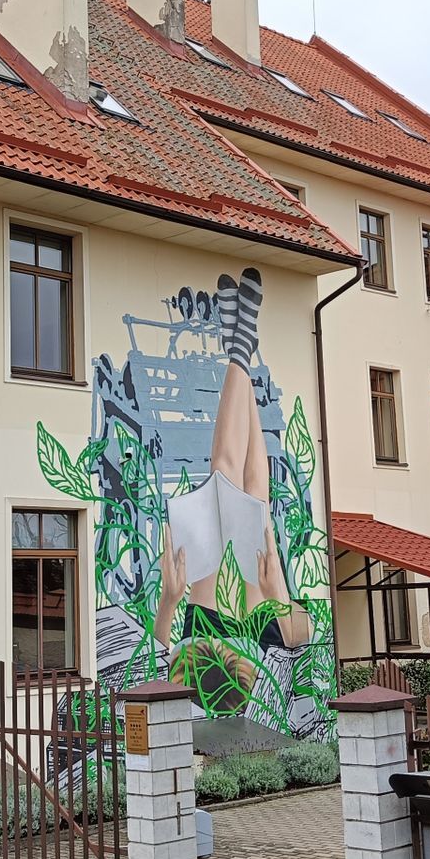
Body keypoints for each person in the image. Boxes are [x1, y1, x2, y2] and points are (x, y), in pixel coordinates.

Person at [152, 268, 311, 711]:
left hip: (212, 617)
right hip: (243, 611)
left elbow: (160, 656)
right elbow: (303, 638)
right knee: (251, 486)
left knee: (232, 473)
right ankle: (241, 347)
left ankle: (241, 347)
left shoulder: (199, 649)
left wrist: (168, 600)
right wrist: (278, 590)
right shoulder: (261, 650)